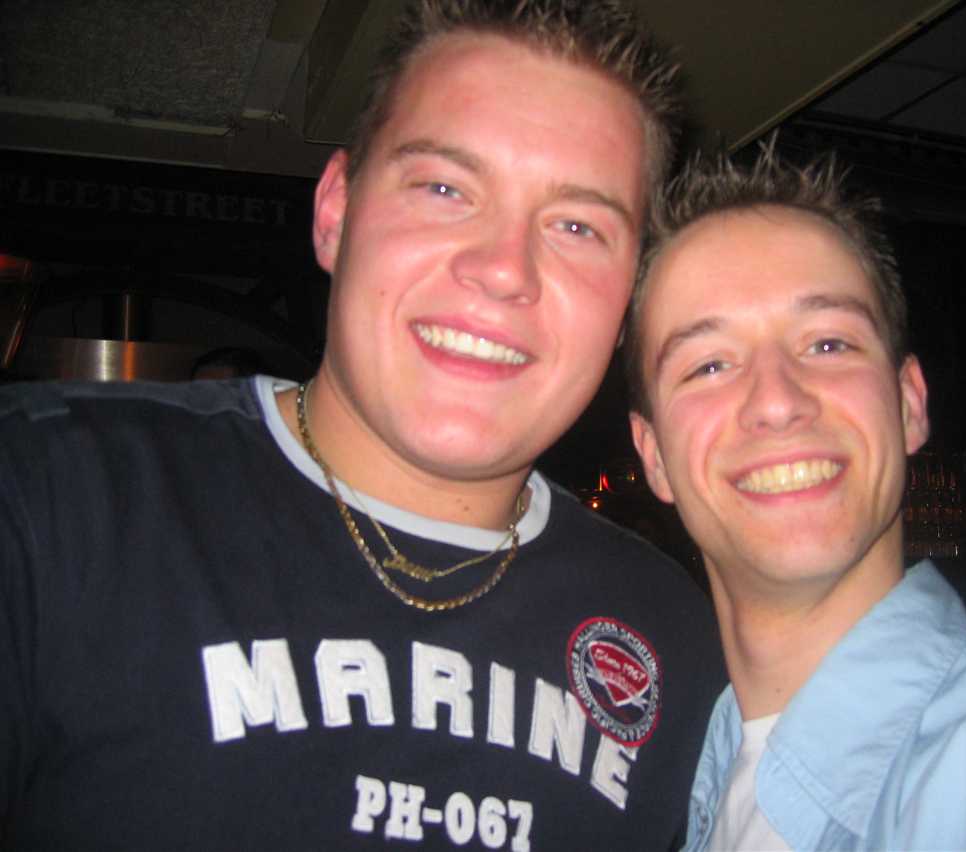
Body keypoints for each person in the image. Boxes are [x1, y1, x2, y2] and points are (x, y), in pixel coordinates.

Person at [0, 2, 725, 848]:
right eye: (445, 188)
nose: (504, 270)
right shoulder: (50, 493)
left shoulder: (678, 640)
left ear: (628, 297)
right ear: (335, 212)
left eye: (577, 226)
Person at [625, 147, 966, 851]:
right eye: (709, 364)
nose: (776, 401)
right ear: (654, 454)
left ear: (909, 404)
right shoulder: (666, 795)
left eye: (828, 345)